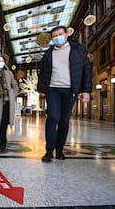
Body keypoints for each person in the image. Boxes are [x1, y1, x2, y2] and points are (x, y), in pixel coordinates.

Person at [37, 26, 92, 162]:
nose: (57, 37)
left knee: (64, 121)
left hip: (70, 90)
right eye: (54, 36)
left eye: (60, 34)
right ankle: (49, 151)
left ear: (66, 35)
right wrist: (42, 89)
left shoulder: (77, 50)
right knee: (53, 118)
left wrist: (86, 90)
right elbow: (42, 73)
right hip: (53, 89)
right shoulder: (48, 54)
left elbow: (86, 70)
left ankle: (59, 150)